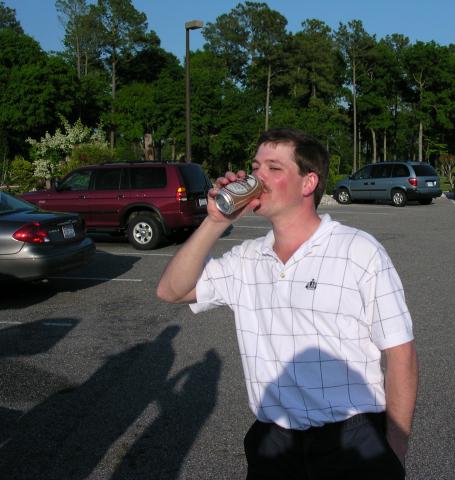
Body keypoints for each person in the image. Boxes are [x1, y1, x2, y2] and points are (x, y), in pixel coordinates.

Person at [157, 128, 418, 479]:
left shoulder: (359, 251)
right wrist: (214, 222)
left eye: (274, 168)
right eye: (255, 167)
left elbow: (401, 354)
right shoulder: (246, 259)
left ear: (308, 183)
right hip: (274, 439)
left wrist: (395, 450)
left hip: (352, 435)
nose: (258, 176)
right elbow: (171, 291)